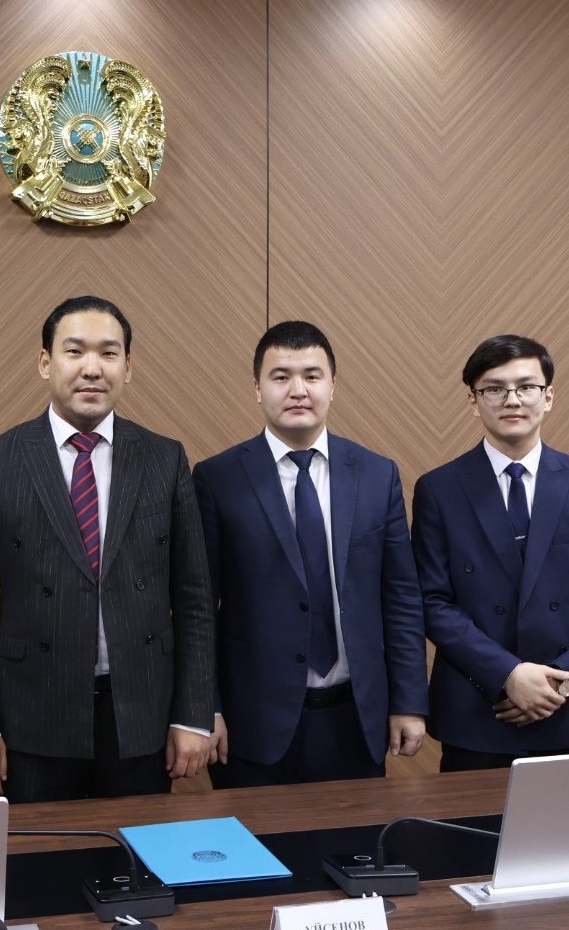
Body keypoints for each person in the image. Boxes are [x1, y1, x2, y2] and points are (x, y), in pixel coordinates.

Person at [0, 295, 215, 802]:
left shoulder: (165, 458)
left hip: (141, 718)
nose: (92, 368)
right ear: (45, 362)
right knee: (40, 872)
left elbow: (196, 602)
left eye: (109, 354)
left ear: (128, 368)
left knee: (138, 872)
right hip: (29, 719)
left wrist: (194, 714)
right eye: (75, 352)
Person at [193, 321, 427, 787]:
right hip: (252, 721)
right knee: (259, 857)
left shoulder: (377, 475)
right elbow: (201, 609)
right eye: (280, 377)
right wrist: (207, 707)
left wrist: (408, 701)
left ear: (333, 386)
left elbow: (401, 599)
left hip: (355, 716)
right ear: (257, 388)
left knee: (353, 854)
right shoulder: (217, 479)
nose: (297, 389)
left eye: (312, 376)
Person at [412, 334, 569, 771]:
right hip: (479, 714)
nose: (511, 399)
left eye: (526, 386)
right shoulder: (438, 490)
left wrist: (560, 683)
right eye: (494, 389)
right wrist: (508, 676)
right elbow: (431, 602)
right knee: (477, 840)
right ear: (473, 400)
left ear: (548, 396)